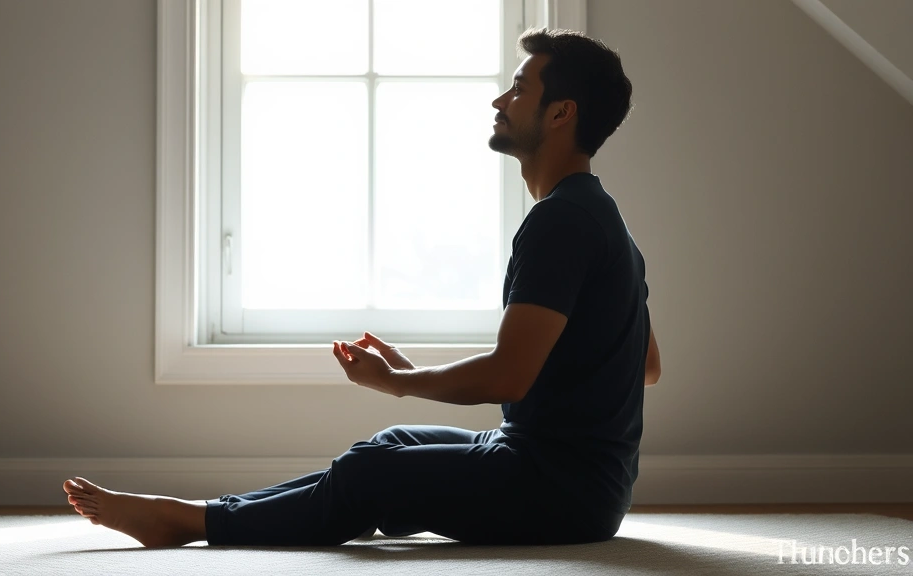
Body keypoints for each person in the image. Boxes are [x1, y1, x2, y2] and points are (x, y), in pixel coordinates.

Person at [62, 27, 660, 548]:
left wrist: (399, 381)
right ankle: (212, 513)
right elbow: (647, 363)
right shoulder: (600, 217)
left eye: (520, 88)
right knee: (387, 446)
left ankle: (188, 521)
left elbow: (509, 377)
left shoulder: (562, 222)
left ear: (561, 113)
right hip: (569, 473)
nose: (500, 99)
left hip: (563, 491)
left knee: (371, 475)